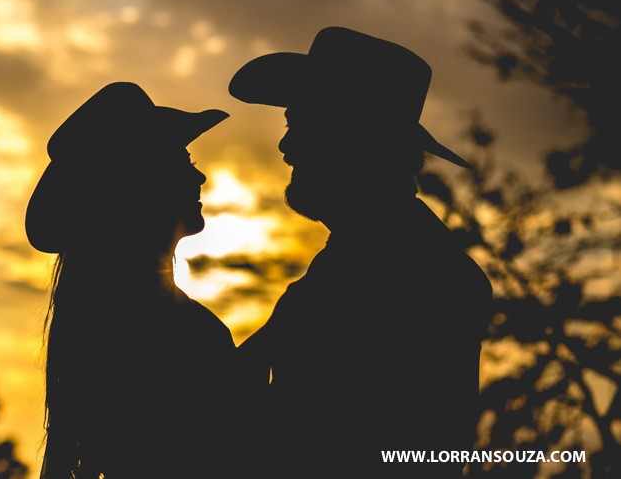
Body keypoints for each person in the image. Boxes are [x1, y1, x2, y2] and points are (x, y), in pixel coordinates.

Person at [228, 26, 493, 478]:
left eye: (302, 125)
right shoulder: (356, 265)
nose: (286, 147)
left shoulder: (422, 276)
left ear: (358, 139)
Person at [25, 81, 241, 479]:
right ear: (140, 184)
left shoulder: (102, 325)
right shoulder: (175, 331)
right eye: (182, 161)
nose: (200, 177)